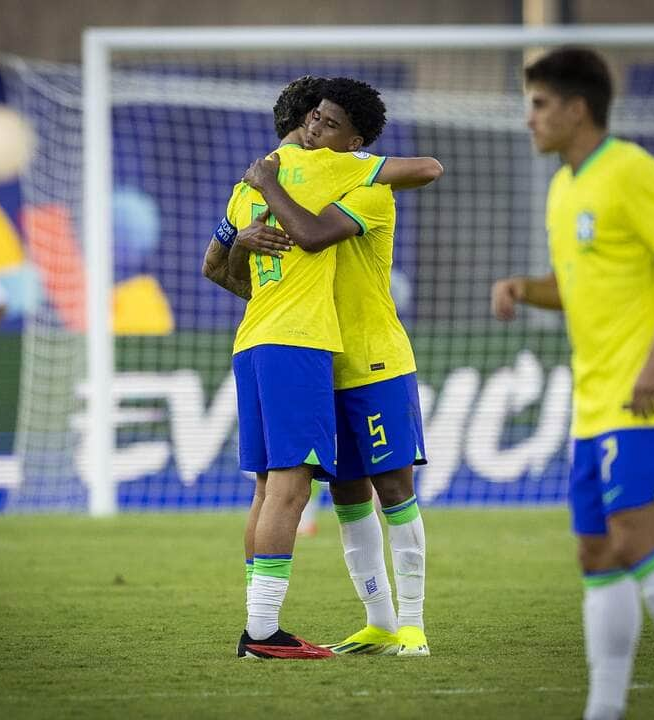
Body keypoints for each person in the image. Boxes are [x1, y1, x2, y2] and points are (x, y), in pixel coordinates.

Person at [490, 47, 654, 720]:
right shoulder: (563, 187)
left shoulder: (631, 170)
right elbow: (576, 289)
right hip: (593, 401)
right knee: (595, 550)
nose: (527, 118)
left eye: (538, 104)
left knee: (634, 541)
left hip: (644, 394)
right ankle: (603, 710)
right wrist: (522, 288)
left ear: (576, 108)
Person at [202, 76, 439, 660]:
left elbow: (310, 235)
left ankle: (412, 623)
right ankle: (378, 622)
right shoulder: (288, 181)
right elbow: (223, 266)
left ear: (356, 142)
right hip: (314, 357)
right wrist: (245, 244)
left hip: (372, 356)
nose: (314, 130)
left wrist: (264, 190)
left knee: (393, 488)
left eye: (329, 124)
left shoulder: (363, 186)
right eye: (313, 119)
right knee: (347, 495)